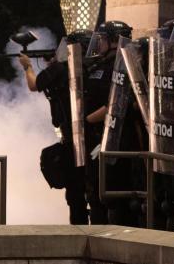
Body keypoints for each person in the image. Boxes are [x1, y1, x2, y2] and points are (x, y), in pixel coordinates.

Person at [19, 30, 93, 224]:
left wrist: (27, 66)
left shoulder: (60, 69)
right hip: (93, 134)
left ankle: (79, 230)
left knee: (74, 191)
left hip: (72, 135)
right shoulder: (93, 66)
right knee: (91, 187)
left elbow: (34, 85)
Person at [83, 20, 134, 224]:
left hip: (113, 137)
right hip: (96, 137)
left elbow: (116, 103)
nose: (99, 44)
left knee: (111, 196)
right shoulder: (100, 64)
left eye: (103, 39)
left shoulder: (122, 65)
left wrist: (87, 119)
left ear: (114, 41)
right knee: (94, 193)